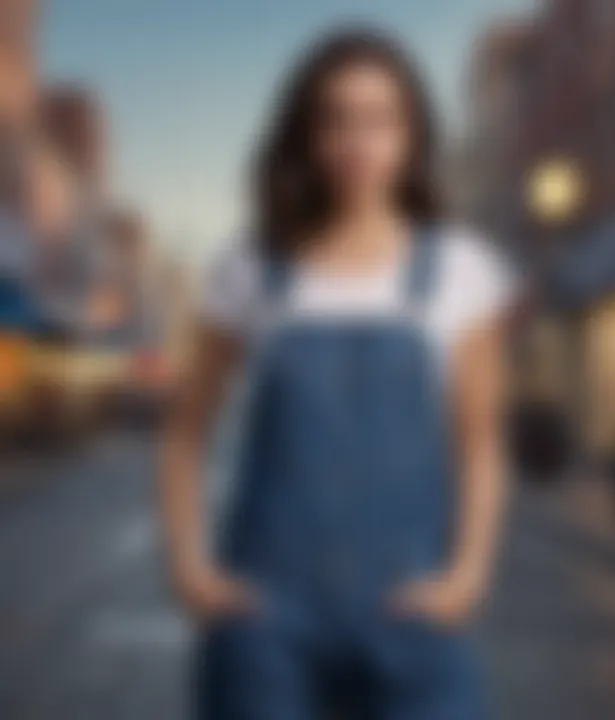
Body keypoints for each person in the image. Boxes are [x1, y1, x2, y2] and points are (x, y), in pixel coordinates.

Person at [159, 28, 517, 720]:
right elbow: (183, 434)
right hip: (267, 625)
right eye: (336, 119)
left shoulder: (459, 269)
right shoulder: (252, 267)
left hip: (415, 619)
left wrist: (467, 577)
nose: (359, 140)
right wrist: (190, 569)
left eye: (381, 119)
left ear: (411, 135)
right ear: (306, 134)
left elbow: (479, 443)